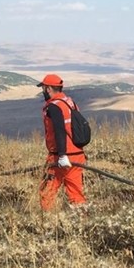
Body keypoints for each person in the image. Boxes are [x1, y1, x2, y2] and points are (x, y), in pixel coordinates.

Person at [37, 73, 87, 210]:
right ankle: (82, 223)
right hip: (77, 155)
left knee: (46, 192)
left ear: (48, 89)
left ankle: (47, 222)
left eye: (43, 89)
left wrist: (62, 155)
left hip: (59, 158)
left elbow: (59, 130)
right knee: (76, 193)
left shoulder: (53, 107)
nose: (43, 92)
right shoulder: (70, 103)